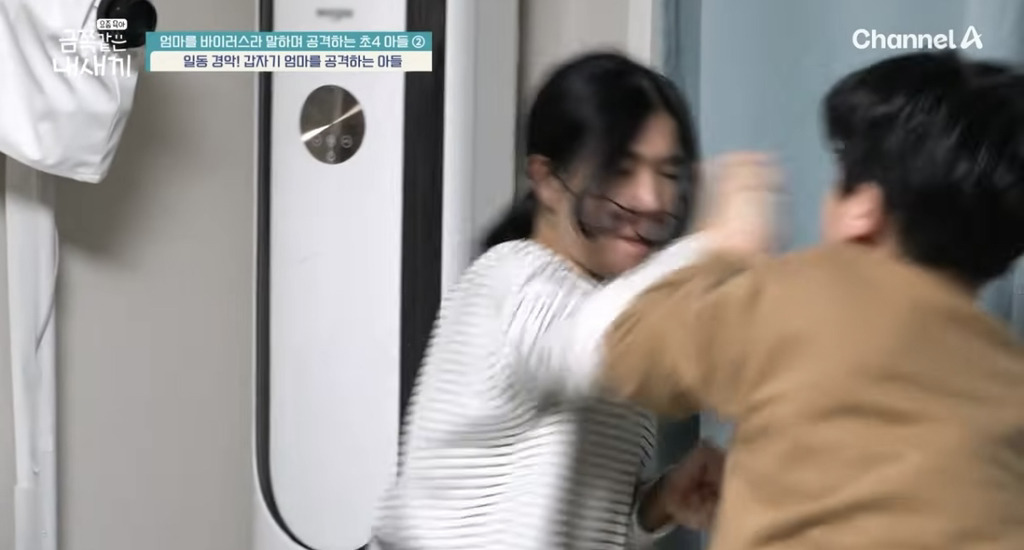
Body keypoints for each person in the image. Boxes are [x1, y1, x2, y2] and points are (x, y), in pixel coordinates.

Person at [543, 52, 1024, 549]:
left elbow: (621, 344)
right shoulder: (1011, 379)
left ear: (863, 210)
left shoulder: (804, 296)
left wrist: (726, 245)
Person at [371, 52, 726, 550]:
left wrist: (659, 502)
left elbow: (567, 526)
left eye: (668, 173)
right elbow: (585, 344)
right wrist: (721, 243)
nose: (650, 199)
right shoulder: (516, 279)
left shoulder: (602, 311)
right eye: (620, 168)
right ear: (546, 180)